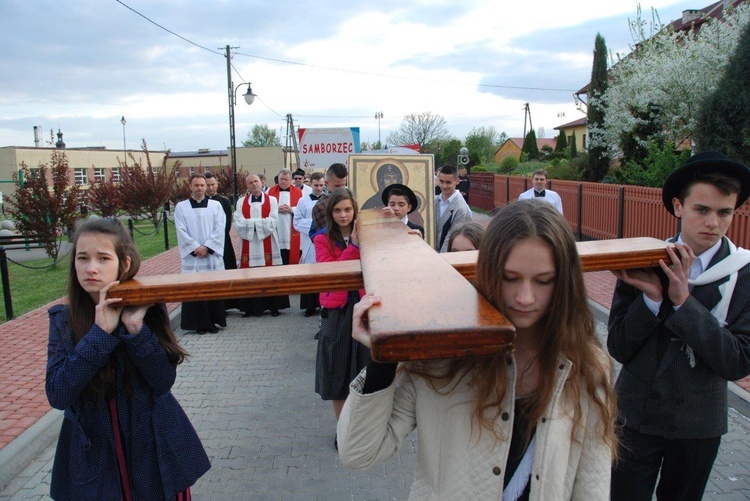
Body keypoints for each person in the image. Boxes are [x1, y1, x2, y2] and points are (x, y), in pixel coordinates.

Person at [337, 200, 617, 499]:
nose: (525, 297)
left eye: (544, 281)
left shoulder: (585, 364)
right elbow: (358, 452)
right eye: (510, 278)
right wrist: (384, 358)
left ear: (565, 283)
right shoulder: (443, 354)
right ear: (488, 271)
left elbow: (591, 483)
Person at [608, 151, 750, 501]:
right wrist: (654, 299)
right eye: (702, 210)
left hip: (698, 424)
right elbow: (619, 347)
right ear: (678, 207)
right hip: (635, 417)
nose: (713, 223)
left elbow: (737, 362)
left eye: (724, 212)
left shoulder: (743, 271)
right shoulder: (645, 259)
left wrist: (684, 302)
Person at [45, 217, 210, 499]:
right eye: (82, 258)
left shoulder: (146, 307)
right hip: (95, 451)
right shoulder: (65, 320)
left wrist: (135, 328)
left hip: (150, 443)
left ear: (124, 263)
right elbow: (58, 393)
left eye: (103, 258)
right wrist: (100, 334)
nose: (91, 268)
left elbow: (162, 381)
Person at [312, 187, 369, 446]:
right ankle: (343, 430)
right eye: (337, 210)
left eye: (347, 209)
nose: (343, 215)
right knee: (337, 369)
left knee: (364, 368)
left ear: (355, 210)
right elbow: (331, 271)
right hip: (336, 308)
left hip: (363, 305)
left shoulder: (369, 233)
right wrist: (354, 245)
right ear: (330, 213)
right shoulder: (322, 238)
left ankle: (363, 429)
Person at [174, 173, 226, 334]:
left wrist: (208, 247)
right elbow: (180, 230)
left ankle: (214, 321)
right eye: (196, 185)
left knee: (212, 288)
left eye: (202, 185)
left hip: (211, 256)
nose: (200, 188)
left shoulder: (215, 206)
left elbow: (220, 228)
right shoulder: (181, 207)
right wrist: (196, 247)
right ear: (190, 186)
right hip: (194, 257)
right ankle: (198, 324)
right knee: (195, 289)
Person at [234, 173, 288, 317]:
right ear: (247, 186)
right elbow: (238, 222)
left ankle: (273, 306)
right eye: (250, 182)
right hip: (248, 244)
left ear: (262, 182)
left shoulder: (271, 200)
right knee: (248, 275)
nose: (254, 184)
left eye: (256, 181)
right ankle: (250, 307)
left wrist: (250, 223)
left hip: (268, 241)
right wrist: (259, 223)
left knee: (269, 273)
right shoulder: (241, 202)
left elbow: (273, 220)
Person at [293, 172, 325, 318]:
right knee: (310, 271)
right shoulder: (303, 201)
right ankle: (310, 306)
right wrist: (314, 225)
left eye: (321, 185)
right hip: (308, 241)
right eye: (316, 185)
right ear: (310, 184)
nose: (319, 188)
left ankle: (323, 303)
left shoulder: (328, 200)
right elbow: (297, 221)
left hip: (324, 240)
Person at [204, 172, 238, 273]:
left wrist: (215, 238)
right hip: (205, 239)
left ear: (217, 184)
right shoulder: (202, 202)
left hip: (222, 239)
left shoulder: (224, 201)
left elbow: (227, 224)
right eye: (208, 185)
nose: (210, 188)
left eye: (213, 184)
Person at [435, 165, 472, 253]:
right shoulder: (433, 201)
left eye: (448, 182)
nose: (444, 186)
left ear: (457, 181)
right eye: (441, 181)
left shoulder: (461, 208)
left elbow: (451, 238)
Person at [309, 162, 348, 238]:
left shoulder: (348, 200)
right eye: (337, 186)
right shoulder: (321, 206)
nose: (341, 189)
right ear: (326, 183)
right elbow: (324, 239)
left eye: (343, 185)